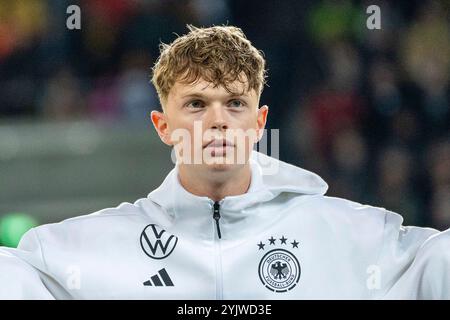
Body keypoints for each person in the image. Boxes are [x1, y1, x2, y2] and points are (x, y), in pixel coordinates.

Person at [0, 25, 449, 300]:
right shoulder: (88, 249)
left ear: (259, 121)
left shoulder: (353, 235)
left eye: (234, 103)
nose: (217, 121)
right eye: (196, 104)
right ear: (162, 125)